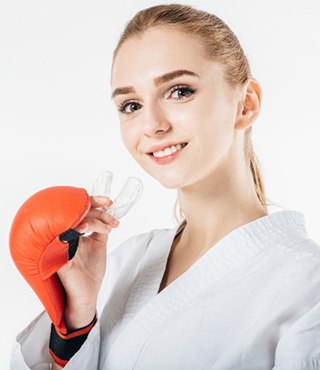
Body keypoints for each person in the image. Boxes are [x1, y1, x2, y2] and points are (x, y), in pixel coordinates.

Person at [10, 4, 320, 370]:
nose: (152, 125)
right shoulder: (125, 262)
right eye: (131, 105)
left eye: (180, 91)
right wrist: (77, 319)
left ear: (246, 104)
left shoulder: (306, 286)